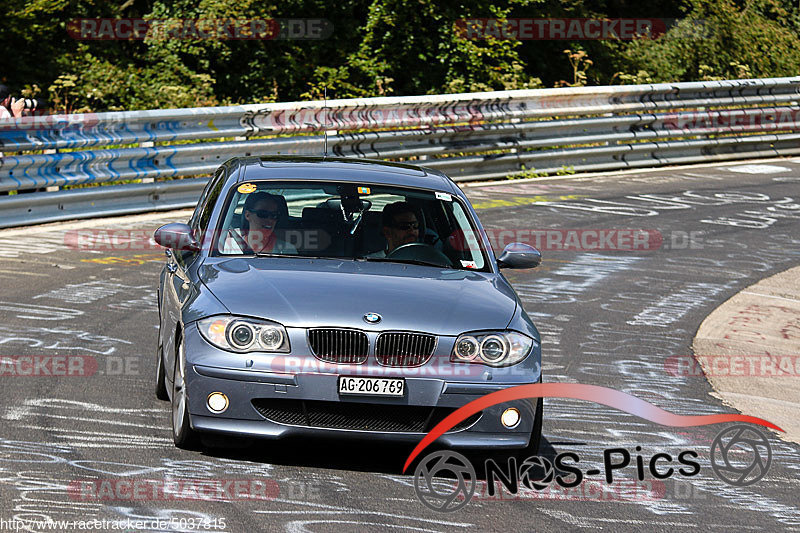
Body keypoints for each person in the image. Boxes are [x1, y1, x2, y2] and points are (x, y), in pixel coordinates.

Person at [221, 192, 298, 254]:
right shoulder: (228, 246)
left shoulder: (287, 250)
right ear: (247, 215)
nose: (270, 220)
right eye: (263, 214)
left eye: (274, 215)